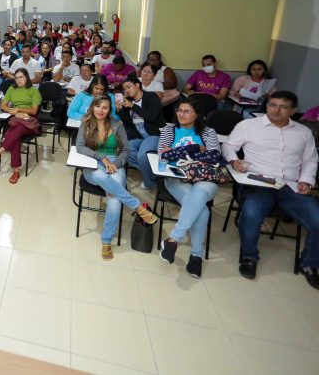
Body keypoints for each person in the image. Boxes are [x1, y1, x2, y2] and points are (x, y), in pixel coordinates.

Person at [221, 91, 319, 287]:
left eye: (283, 107)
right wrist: (234, 161)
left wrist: (307, 180)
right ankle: (249, 257)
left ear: (293, 110)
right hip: (258, 183)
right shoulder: (248, 126)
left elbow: (310, 160)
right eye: (273, 104)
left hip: (290, 186)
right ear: (266, 106)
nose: (276, 109)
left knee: (317, 221)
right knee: (251, 215)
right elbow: (228, 146)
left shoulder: (303, 132)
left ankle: (309, 263)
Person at [76, 96, 158, 260]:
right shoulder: (85, 123)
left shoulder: (117, 125)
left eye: (105, 107)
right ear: (93, 107)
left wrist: (118, 162)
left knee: (114, 199)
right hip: (93, 164)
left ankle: (106, 241)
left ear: (109, 110)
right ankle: (137, 206)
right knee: (100, 175)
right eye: (97, 106)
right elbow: (79, 147)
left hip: (115, 164)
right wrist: (101, 157)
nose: (100, 110)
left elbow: (126, 150)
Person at [158, 97, 221, 278]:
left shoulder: (208, 132)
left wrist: (179, 152)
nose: (181, 114)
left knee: (199, 193)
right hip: (176, 177)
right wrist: (195, 148)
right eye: (179, 110)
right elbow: (163, 154)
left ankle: (174, 239)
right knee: (200, 208)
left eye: (186, 111)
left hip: (205, 177)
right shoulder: (169, 130)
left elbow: (215, 156)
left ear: (197, 114)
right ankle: (196, 256)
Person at [0, 68, 41, 184]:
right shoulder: (12, 89)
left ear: (27, 77)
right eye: (17, 77)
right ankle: (16, 171)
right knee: (16, 137)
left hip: (30, 121)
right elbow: (3, 105)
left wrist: (19, 109)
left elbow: (34, 111)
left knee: (17, 129)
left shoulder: (34, 91)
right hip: (15, 118)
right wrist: (12, 111)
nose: (19, 80)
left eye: (21, 77)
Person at [116, 75, 165, 190]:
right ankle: (153, 173)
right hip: (137, 133)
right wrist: (119, 111)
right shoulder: (130, 101)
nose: (127, 90)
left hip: (153, 132)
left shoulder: (151, 97)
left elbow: (152, 117)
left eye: (129, 87)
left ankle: (149, 183)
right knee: (124, 150)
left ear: (137, 85)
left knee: (142, 156)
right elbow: (128, 122)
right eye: (125, 89)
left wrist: (133, 106)